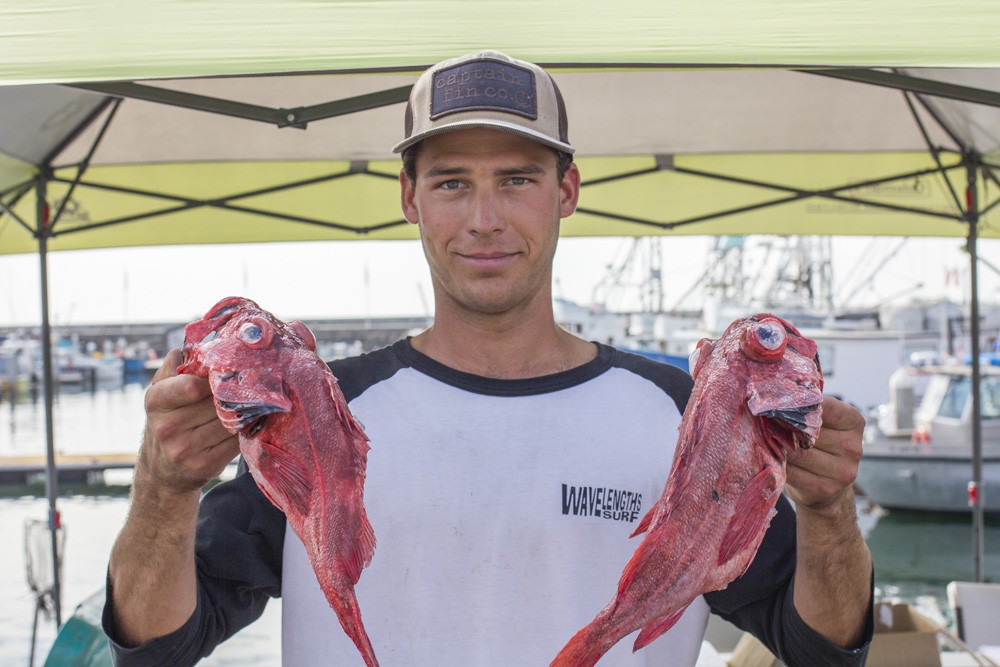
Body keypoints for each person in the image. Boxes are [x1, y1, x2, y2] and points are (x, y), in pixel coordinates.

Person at [102, 50, 873, 666]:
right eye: (450, 182)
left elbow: (821, 645)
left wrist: (829, 511)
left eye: (516, 180)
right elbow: (157, 642)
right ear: (410, 198)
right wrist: (163, 490)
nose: (483, 219)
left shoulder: (684, 413)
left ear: (566, 190)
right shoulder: (319, 414)